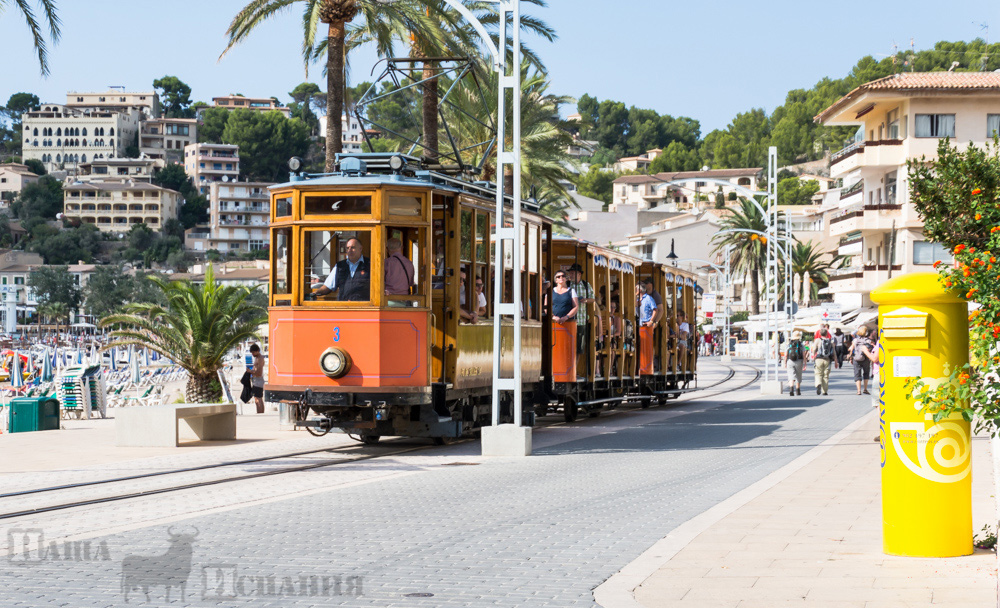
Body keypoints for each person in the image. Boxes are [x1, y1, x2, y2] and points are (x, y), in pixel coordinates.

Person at [569, 264, 595, 354]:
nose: (570, 275)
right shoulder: (568, 285)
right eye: (570, 273)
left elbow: (593, 298)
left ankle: (575, 367)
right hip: (569, 319)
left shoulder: (585, 285)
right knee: (569, 346)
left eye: (572, 273)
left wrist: (586, 300)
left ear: (579, 274)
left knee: (579, 349)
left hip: (581, 320)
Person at [850, 325, 876, 395]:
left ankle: (858, 391)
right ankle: (865, 389)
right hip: (866, 358)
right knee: (866, 373)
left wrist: (850, 358)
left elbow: (851, 349)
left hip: (856, 358)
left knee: (857, 374)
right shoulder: (868, 341)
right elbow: (874, 348)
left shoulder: (855, 340)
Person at [811, 324, 835, 395]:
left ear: (820, 333)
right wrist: (836, 361)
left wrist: (814, 356)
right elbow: (834, 352)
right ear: (827, 333)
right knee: (825, 375)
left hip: (819, 359)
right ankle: (824, 391)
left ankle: (818, 384)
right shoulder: (830, 341)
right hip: (827, 359)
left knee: (818, 373)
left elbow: (814, 349)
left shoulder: (817, 340)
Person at [785, 330, 805, 396]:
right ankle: (798, 390)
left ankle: (791, 389)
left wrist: (785, 362)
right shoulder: (801, 344)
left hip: (790, 361)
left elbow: (786, 354)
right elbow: (804, 354)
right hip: (799, 361)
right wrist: (805, 363)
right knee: (798, 375)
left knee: (791, 375)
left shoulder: (789, 344)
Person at [249, 343, 265, 414]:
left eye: (253, 352)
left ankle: (259, 413)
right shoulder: (257, 358)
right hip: (257, 380)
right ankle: (260, 413)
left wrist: (250, 371)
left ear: (257, 351)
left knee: (257, 399)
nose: (252, 354)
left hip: (258, 380)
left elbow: (259, 372)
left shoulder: (260, 359)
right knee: (259, 398)